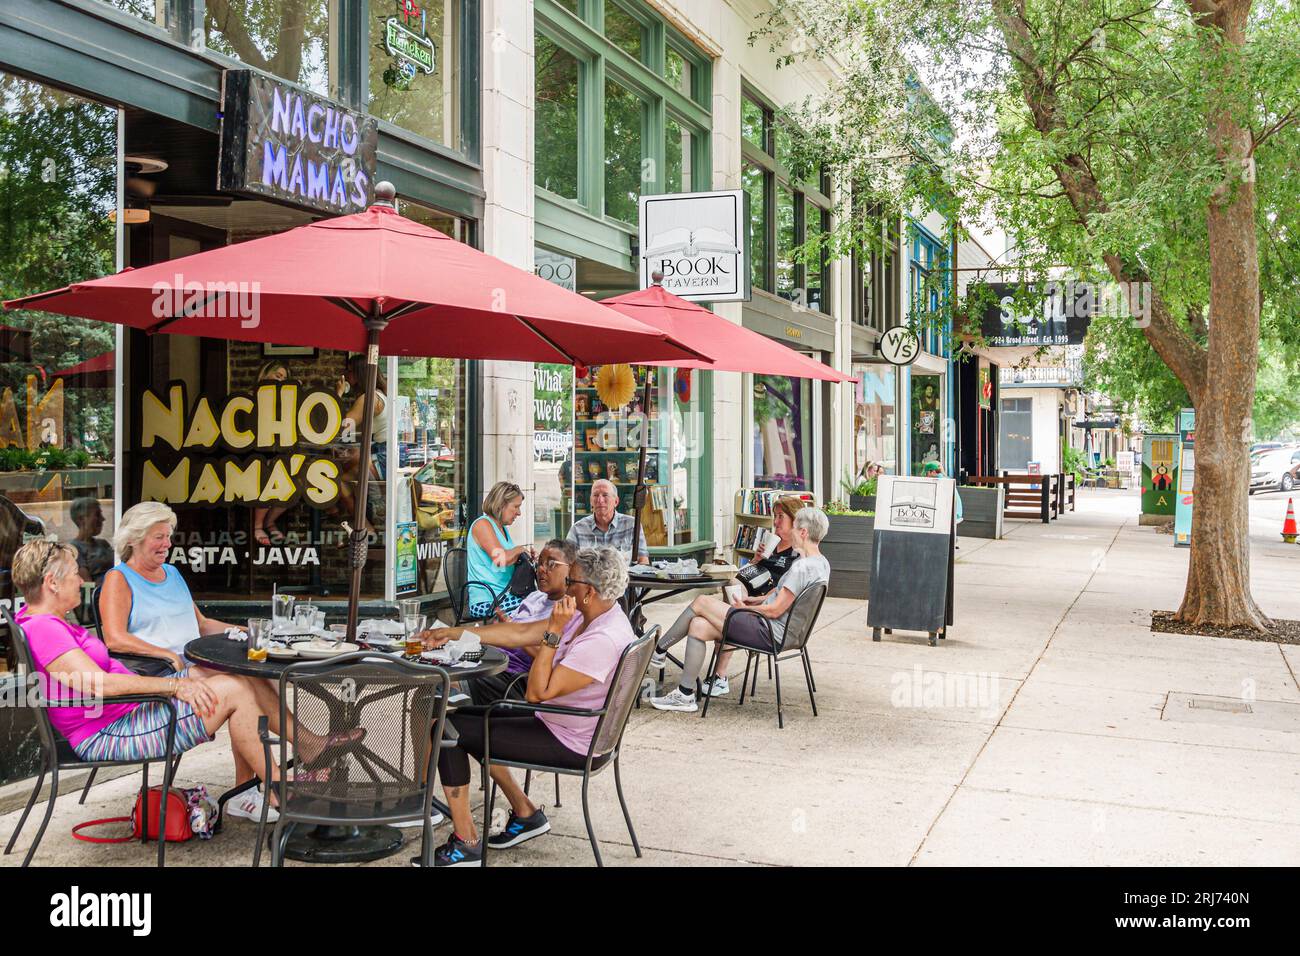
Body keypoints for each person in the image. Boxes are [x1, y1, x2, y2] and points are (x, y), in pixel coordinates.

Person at [9, 540, 357, 822]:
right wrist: (175, 685)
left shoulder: (47, 621)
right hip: (109, 731)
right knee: (235, 691)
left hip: (126, 713)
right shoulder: (45, 628)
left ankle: (300, 752)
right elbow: (98, 685)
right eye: (73, 574)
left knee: (236, 673)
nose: (81, 580)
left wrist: (181, 681)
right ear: (51, 583)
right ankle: (278, 783)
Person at [412, 547, 635, 867]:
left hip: (570, 740)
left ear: (588, 591)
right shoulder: (593, 615)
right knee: (462, 718)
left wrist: (553, 634)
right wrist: (451, 633)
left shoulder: (601, 638)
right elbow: (517, 632)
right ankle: (526, 812)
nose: (566, 585)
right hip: (567, 724)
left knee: (447, 729)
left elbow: (536, 692)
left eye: (571, 580)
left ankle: (466, 844)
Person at [650, 507, 831, 713]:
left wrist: (744, 609)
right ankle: (685, 694)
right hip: (782, 632)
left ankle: (658, 651)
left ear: (803, 533)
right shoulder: (821, 564)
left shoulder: (801, 568)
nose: (791, 533)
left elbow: (774, 611)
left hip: (768, 631)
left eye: (795, 528)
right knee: (698, 625)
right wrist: (756, 600)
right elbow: (784, 601)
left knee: (701, 602)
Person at [99, 501, 244, 675]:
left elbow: (202, 624)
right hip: (160, 672)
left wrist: (252, 633)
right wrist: (167, 655)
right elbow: (115, 639)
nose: (167, 544)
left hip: (192, 663)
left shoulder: (172, 572)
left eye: (168, 536)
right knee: (241, 680)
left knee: (265, 674)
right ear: (132, 539)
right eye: (159, 537)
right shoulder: (119, 578)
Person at [465, 538, 577, 705]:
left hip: (514, 678)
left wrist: (513, 631)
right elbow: (511, 630)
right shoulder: (534, 597)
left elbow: (551, 661)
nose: (541, 569)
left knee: (444, 687)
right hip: (490, 661)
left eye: (551, 564)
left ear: (572, 569)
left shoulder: (565, 611)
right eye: (539, 563)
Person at [335, 354, 389, 536]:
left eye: (349, 371)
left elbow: (342, 427)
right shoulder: (382, 394)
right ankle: (366, 523)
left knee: (339, 482)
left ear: (359, 373)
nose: (347, 375)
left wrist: (338, 394)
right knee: (350, 467)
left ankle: (366, 527)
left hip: (382, 458)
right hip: (386, 454)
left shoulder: (368, 398)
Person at [466, 480, 534, 619]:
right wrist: (519, 550)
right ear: (501, 505)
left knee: (542, 602)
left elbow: (510, 558)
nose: (519, 513)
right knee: (535, 609)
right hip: (487, 601)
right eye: (515, 507)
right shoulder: (482, 524)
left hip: (504, 596)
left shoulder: (502, 528)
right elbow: (500, 560)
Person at [729, 495, 806, 602]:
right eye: (775, 516)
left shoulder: (799, 552)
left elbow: (789, 591)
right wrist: (755, 560)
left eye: (780, 516)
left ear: (795, 519)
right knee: (730, 582)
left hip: (767, 601)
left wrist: (754, 600)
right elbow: (743, 573)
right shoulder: (771, 542)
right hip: (745, 591)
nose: (775, 522)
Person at [566, 478, 649, 565]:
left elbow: (643, 560)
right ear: (591, 501)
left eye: (605, 495)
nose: (600, 500)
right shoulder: (578, 529)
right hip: (588, 578)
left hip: (625, 578)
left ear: (616, 501)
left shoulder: (632, 525)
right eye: (595, 495)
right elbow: (567, 562)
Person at [253, 361, 290, 545]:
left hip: (276, 452)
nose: (281, 381)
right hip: (254, 453)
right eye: (278, 376)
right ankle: (258, 525)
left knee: (296, 483)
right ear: (265, 375)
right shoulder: (250, 398)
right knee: (269, 478)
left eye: (284, 378)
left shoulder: (284, 402)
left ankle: (269, 521)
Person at [69, 497, 113, 586]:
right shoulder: (74, 549)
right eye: (97, 515)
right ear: (81, 519)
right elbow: (88, 586)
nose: (103, 519)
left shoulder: (103, 544)